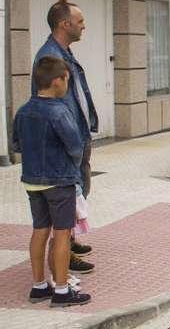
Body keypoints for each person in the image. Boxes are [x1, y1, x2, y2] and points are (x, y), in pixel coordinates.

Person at [13, 57, 92, 307]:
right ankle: (60, 291)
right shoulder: (59, 111)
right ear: (57, 80)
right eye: (66, 80)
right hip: (59, 181)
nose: (67, 85)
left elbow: (16, 144)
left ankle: (39, 286)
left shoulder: (23, 111)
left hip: (32, 181)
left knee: (39, 231)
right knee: (62, 234)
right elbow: (75, 147)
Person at [33, 0, 96, 274]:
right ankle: (64, 256)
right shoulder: (50, 57)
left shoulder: (65, 52)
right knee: (69, 199)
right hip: (65, 140)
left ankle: (69, 240)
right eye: (79, 21)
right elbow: (47, 104)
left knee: (80, 193)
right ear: (64, 24)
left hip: (77, 135)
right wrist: (66, 142)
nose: (84, 26)